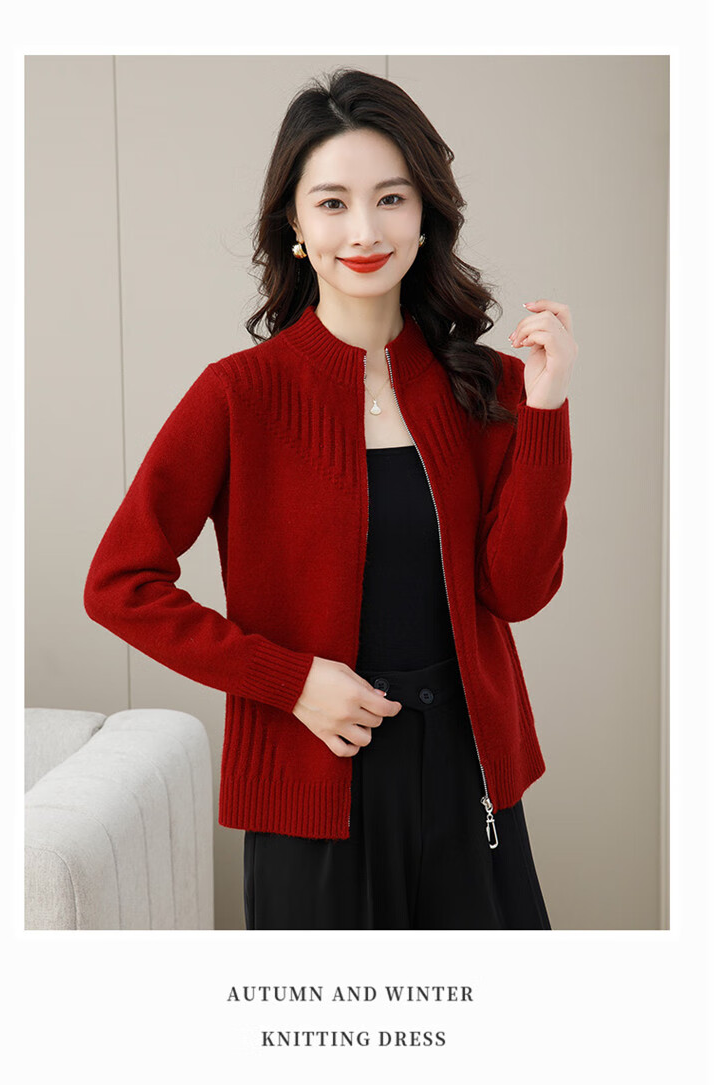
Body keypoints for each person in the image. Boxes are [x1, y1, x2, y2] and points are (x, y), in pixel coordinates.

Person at [84, 67, 577, 930]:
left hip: (468, 778)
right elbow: (118, 583)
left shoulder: (493, 386)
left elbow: (519, 591)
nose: (364, 230)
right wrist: (290, 681)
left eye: (390, 198)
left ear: (425, 215)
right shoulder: (240, 395)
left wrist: (546, 411)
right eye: (333, 203)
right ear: (296, 226)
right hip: (312, 784)